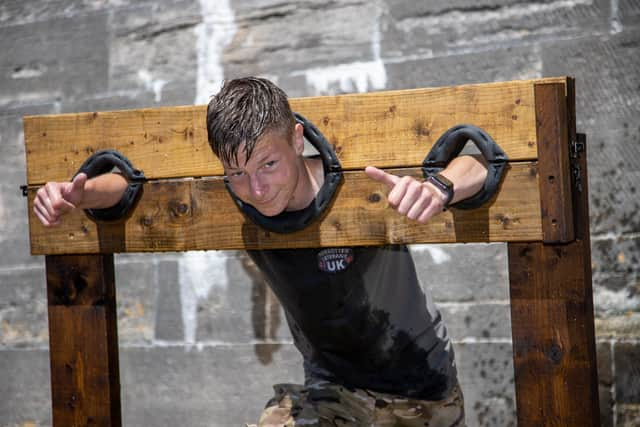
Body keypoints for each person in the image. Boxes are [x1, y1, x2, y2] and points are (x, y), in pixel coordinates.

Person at [34, 77, 488, 426]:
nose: (256, 188)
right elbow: (130, 186)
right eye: (236, 174)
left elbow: (483, 162)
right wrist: (82, 194)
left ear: (296, 139)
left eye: (268, 165)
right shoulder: (242, 195)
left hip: (423, 389)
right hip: (332, 394)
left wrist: (442, 186)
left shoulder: (361, 184)